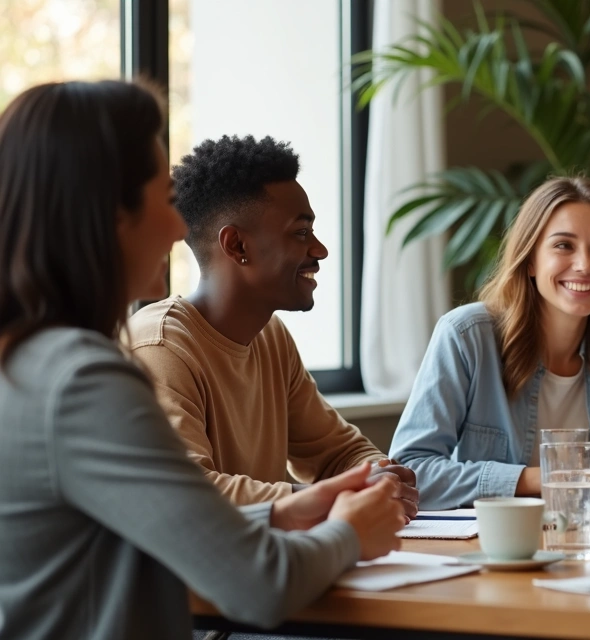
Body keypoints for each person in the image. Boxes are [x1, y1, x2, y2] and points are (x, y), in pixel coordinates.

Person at [0, 80, 405, 640]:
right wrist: (351, 534)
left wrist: (285, 512)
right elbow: (258, 584)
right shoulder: (83, 382)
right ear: (110, 215)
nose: (176, 229)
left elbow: (160, 521)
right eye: (162, 201)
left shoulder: (34, 363)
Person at [127, 135, 417, 512]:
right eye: (301, 233)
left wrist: (381, 475)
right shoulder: (160, 347)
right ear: (237, 246)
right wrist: (332, 495)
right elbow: (188, 492)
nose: (320, 250)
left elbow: (338, 452)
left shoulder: (271, 336)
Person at [390, 176, 590, 509]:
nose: (585, 265)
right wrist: (545, 479)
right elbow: (409, 471)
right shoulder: (465, 336)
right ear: (530, 259)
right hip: (498, 538)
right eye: (564, 245)